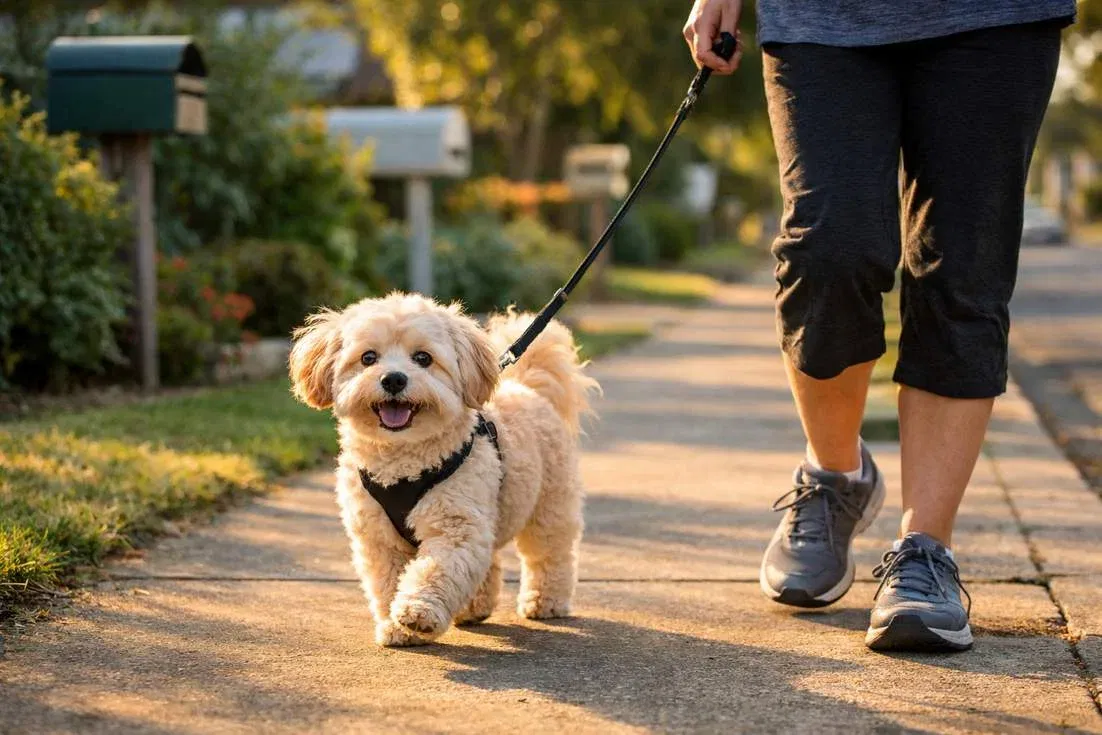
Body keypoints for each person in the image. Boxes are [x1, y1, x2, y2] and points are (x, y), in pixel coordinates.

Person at [682, 0, 1074, 651]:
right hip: (822, 17)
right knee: (826, 250)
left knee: (963, 266)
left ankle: (925, 551)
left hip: (997, 17)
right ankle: (837, 476)